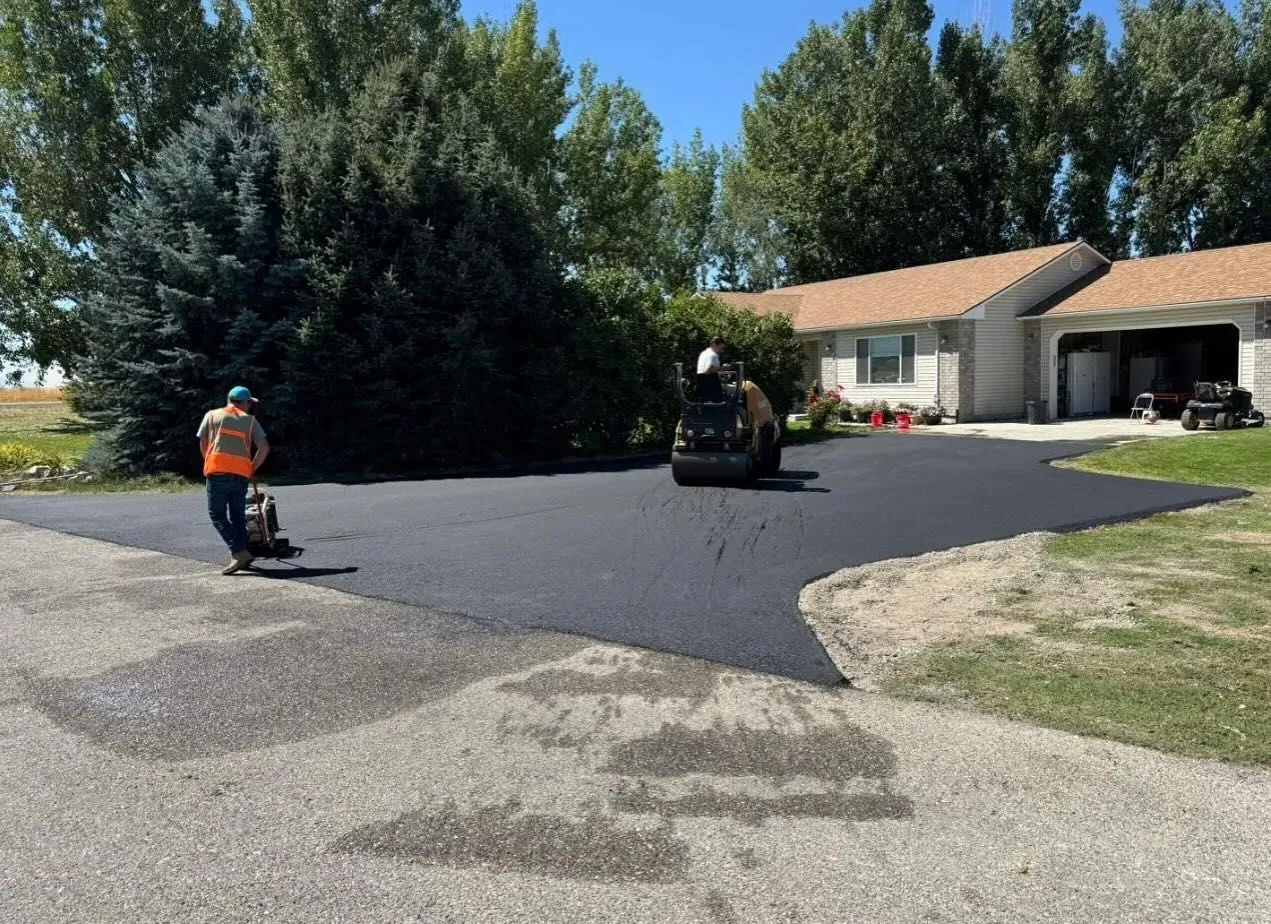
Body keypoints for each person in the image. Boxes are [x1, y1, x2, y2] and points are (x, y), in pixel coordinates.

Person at [197, 386, 270, 574]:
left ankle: (239, 552)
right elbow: (264, 447)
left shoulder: (211, 416)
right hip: (240, 476)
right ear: (243, 402)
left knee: (217, 514)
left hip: (217, 473)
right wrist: (251, 468)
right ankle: (240, 553)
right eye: (249, 403)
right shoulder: (250, 421)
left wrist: (211, 461)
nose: (249, 407)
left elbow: (203, 442)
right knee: (238, 517)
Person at [696, 336, 728, 402]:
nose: (722, 350)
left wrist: (721, 368)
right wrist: (725, 367)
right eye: (720, 348)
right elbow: (708, 370)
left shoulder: (704, 353)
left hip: (702, 382)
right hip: (710, 384)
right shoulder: (712, 355)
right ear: (714, 345)